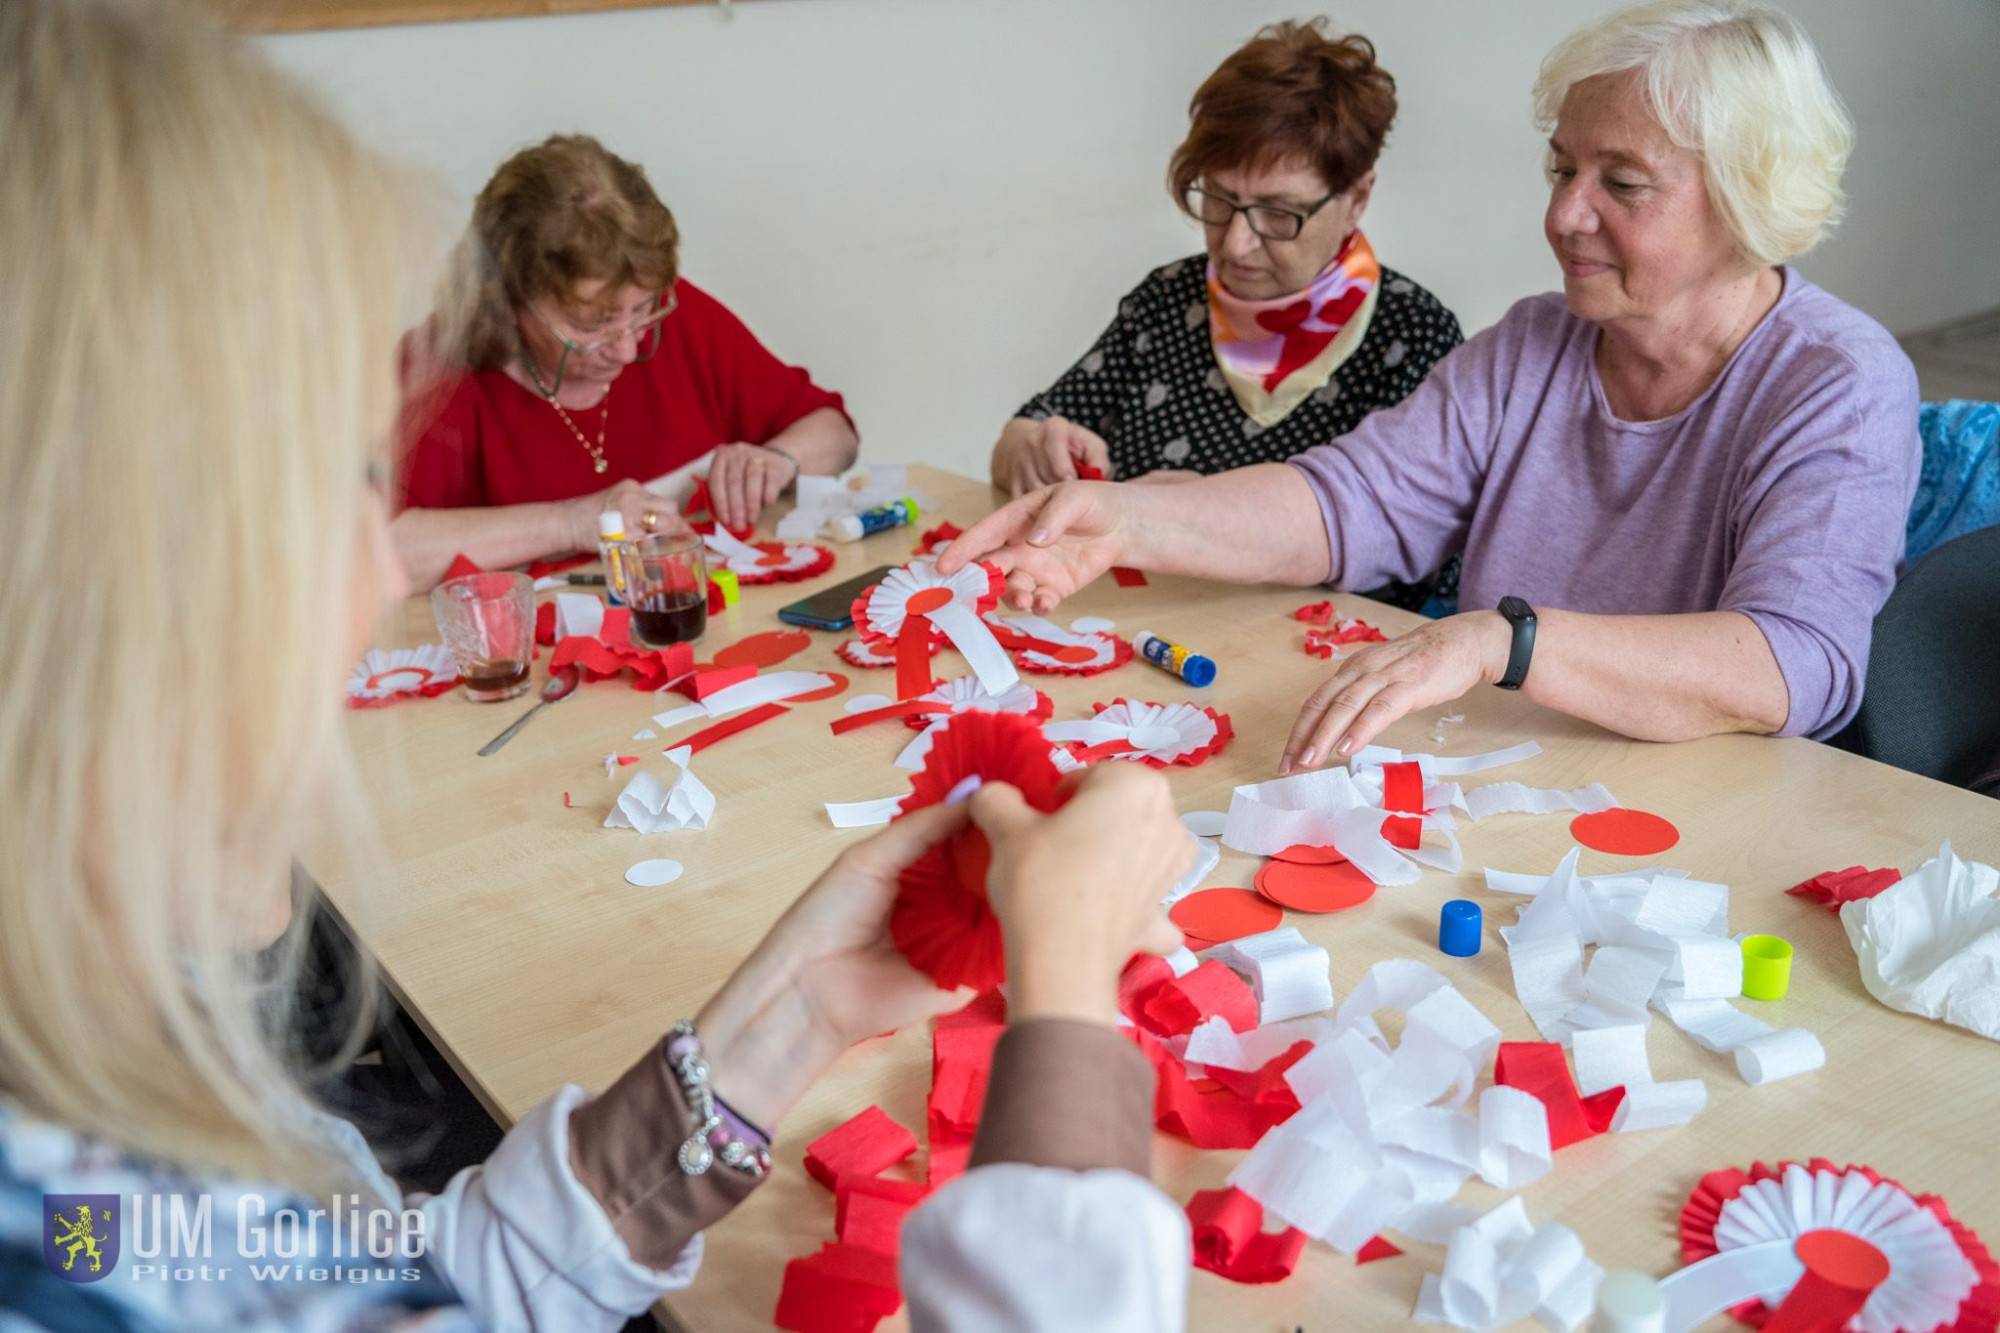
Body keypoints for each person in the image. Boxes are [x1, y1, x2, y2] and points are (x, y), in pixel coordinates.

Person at [0, 3, 1191, 1328]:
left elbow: (410, 1271)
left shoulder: (108, 1180)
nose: (363, 573)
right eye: (321, 476)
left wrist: (796, 1009)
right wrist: (1071, 999)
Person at [945, 0, 1919, 768]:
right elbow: (1347, 501)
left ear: (1749, 203)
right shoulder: (1532, 344)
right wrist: (1124, 519)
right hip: (1503, 771)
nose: (1562, 215)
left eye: (1619, 184)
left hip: (1705, 815)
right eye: (1560, 167)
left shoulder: (1836, 380)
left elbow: (1791, 666)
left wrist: (1502, 642)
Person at [992, 21, 1463, 609]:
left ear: (1358, 197)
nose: (1236, 243)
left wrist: (1200, 513)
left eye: (1278, 214)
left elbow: (1423, 567)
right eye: (1217, 199)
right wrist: (1036, 445)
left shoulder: (1411, 335)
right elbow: (1021, 434)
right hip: (1142, 622)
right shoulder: (1168, 300)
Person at [392, 134, 858, 590]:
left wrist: (777, 462)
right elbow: (376, 551)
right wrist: (574, 523)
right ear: (509, 298)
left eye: (643, 311)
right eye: (592, 324)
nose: (628, 349)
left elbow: (834, 433)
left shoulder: (677, 317)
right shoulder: (438, 369)